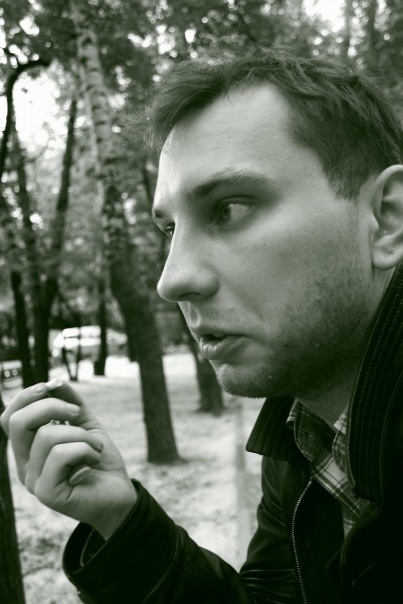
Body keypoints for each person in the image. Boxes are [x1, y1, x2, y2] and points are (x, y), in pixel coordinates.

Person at [2, 46, 403, 603]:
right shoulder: (304, 428)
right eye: (170, 229)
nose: (172, 281)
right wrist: (122, 522)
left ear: (386, 218)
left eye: (229, 208)